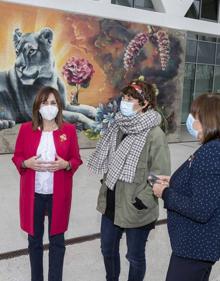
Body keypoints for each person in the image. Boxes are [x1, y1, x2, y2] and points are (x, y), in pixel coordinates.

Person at [87, 79, 171, 281]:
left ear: (145, 104)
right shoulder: (118, 126)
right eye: (124, 97)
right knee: (107, 249)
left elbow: (159, 174)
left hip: (136, 206)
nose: (124, 102)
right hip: (112, 200)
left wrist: (143, 199)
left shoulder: (154, 134)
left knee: (134, 257)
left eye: (131, 99)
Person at [12, 86, 82, 281]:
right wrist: (26, 163)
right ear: (38, 106)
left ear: (59, 107)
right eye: (45, 103)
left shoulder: (68, 130)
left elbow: (76, 159)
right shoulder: (26, 129)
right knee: (34, 241)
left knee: (57, 241)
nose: (49, 107)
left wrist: (65, 165)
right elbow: (17, 157)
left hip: (57, 195)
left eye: (53, 103)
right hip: (33, 195)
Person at [152, 93, 220, 281]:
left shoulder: (212, 152)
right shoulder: (212, 147)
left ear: (207, 120)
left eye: (195, 116)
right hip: (197, 247)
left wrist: (165, 193)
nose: (190, 120)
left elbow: (200, 209)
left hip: (195, 248)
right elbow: (204, 187)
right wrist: (173, 183)